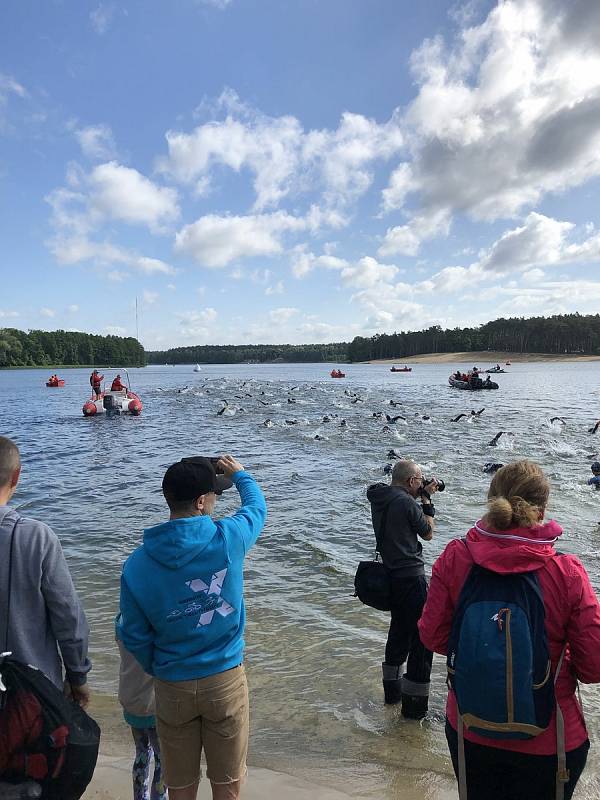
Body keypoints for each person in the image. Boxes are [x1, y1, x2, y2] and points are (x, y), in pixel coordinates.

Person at [418, 460, 600, 800]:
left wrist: (484, 651)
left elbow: (432, 636)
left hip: (470, 728)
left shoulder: (456, 557)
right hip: (551, 739)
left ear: (491, 498)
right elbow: (594, 667)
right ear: (542, 509)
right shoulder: (568, 572)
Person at [118, 455, 267, 800]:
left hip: (172, 684)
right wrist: (241, 475)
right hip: (224, 678)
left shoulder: (137, 564)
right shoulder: (228, 539)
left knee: (180, 787)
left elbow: (133, 635)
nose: (215, 501)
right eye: (214, 495)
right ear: (202, 502)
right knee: (227, 788)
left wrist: (161, 666)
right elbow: (257, 508)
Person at [0, 436, 91, 705]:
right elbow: (67, 615)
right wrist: (77, 676)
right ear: (16, 476)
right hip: (31, 694)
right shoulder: (34, 537)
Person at [366, 459, 438, 718]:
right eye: (419, 480)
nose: (422, 483)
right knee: (422, 639)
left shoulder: (379, 498)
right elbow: (428, 533)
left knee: (398, 632)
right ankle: (414, 708)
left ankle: (392, 697)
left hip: (391, 575)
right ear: (411, 481)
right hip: (411, 576)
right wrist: (427, 500)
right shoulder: (406, 502)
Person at [116, 626, 166, 800]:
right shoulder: (155, 626)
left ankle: (140, 797)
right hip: (153, 704)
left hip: (132, 699)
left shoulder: (122, 622)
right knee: (163, 759)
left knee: (142, 753)